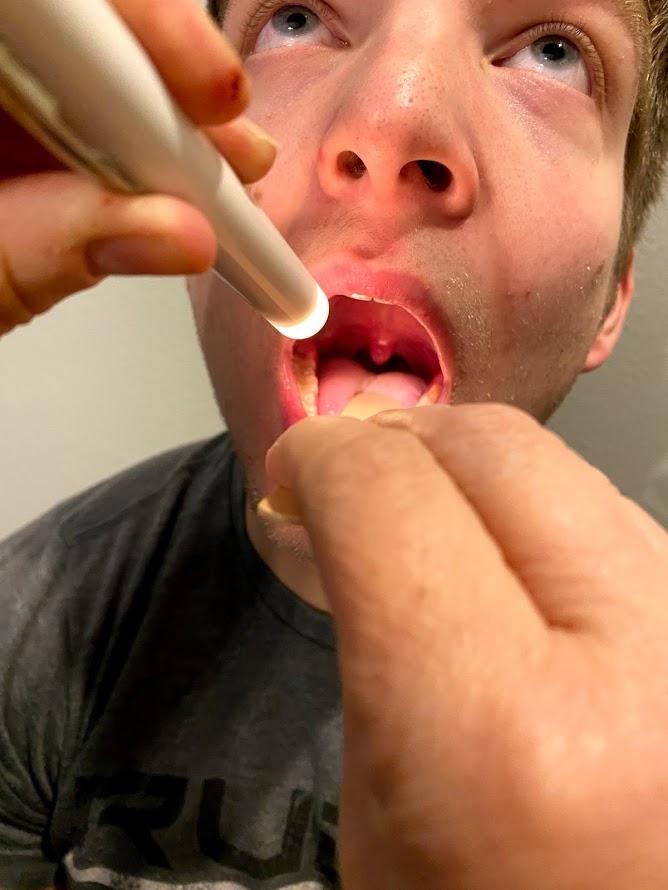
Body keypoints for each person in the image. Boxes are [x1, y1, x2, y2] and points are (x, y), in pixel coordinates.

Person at [1, 0, 667, 886]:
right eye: (298, 18)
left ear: (612, 300)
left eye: (551, 53)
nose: (393, 119)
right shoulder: (33, 631)